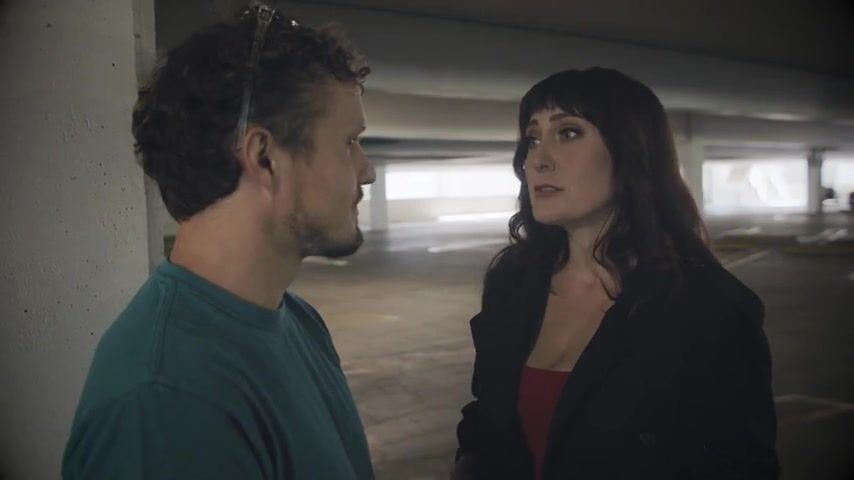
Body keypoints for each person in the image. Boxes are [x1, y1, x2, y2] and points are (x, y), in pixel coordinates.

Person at [62, 4, 376, 479]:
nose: (367, 170)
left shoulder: (298, 321)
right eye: (349, 142)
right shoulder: (166, 402)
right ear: (264, 158)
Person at [453, 67, 779, 480]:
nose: (538, 159)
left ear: (630, 151)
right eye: (532, 139)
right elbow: (486, 417)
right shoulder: (513, 281)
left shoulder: (708, 307)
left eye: (568, 132)